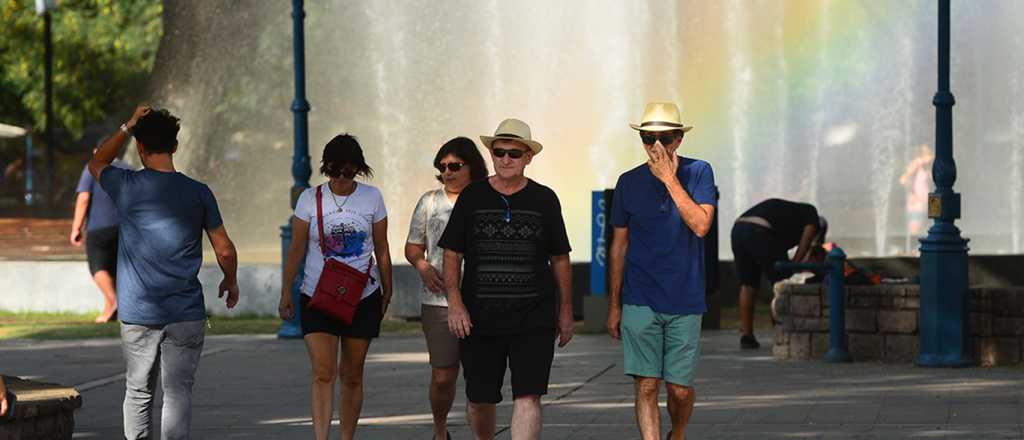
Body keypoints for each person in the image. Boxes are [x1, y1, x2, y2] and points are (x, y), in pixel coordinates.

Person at [89, 106, 240, 440]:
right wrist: (231, 281)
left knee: (139, 391)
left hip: (138, 312)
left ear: (141, 148)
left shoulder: (125, 184)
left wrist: (127, 126)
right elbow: (225, 249)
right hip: (185, 312)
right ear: (175, 147)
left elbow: (97, 161)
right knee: (178, 392)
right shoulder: (199, 192)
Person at [439, 118, 574, 440]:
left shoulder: (545, 199)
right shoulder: (471, 197)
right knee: (479, 398)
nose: (506, 159)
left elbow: (560, 257)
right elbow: (451, 254)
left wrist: (566, 310)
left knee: (528, 395)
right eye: (499, 152)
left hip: (534, 316)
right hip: (479, 318)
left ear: (529, 157)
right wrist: (455, 304)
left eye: (515, 153)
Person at [607, 102, 716, 440]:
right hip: (640, 296)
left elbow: (701, 226)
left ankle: (678, 432)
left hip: (686, 296)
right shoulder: (628, 182)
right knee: (647, 385)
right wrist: (614, 304)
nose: (655, 146)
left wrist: (669, 180)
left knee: (680, 390)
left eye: (664, 138)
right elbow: (619, 245)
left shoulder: (699, 171)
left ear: (678, 140)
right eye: (647, 138)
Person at [278, 133, 393, 440]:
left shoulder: (372, 197)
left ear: (359, 169)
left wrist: (387, 287)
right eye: (335, 171)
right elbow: (297, 249)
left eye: (349, 171)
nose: (342, 179)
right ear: (325, 168)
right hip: (317, 294)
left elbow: (381, 248)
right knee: (323, 372)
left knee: (353, 375)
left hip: (363, 295)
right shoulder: (309, 198)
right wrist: (286, 290)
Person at [405, 136, 488, 440]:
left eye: (455, 166)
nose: (447, 172)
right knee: (443, 376)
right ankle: (440, 431)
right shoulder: (429, 201)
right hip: (438, 301)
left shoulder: (486, 198)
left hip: (481, 300)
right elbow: (412, 247)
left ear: (471, 167)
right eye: (442, 167)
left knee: (480, 380)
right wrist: (422, 265)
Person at [731, 198, 826, 349]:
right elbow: (807, 241)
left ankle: (747, 335)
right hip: (760, 230)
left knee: (748, 284)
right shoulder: (811, 213)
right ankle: (782, 333)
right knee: (783, 285)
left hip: (738, 229)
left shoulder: (791, 217)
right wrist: (794, 265)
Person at [71, 139, 133, 323]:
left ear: (97, 150)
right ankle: (110, 309)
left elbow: (83, 198)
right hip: (125, 228)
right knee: (115, 269)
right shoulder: (128, 169)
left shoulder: (93, 167)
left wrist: (76, 228)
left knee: (97, 267)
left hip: (99, 227)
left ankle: (113, 302)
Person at [899, 144, 933, 252]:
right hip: (917, 202)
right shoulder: (917, 164)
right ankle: (911, 251)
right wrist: (912, 193)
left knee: (925, 226)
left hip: (927, 201)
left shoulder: (927, 167)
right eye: (929, 154)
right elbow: (903, 179)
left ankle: (919, 250)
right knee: (915, 226)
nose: (932, 157)